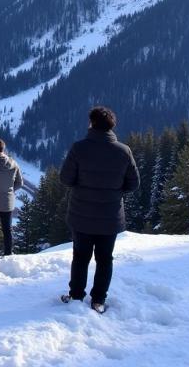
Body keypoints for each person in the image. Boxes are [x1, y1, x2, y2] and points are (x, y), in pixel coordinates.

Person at [59, 106, 140, 314]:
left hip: (82, 214)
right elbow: (133, 183)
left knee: (80, 256)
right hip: (110, 216)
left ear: (92, 123)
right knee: (105, 259)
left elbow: (65, 178)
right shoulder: (124, 151)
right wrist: (115, 192)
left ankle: (76, 295)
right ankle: (98, 300)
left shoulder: (79, 148)